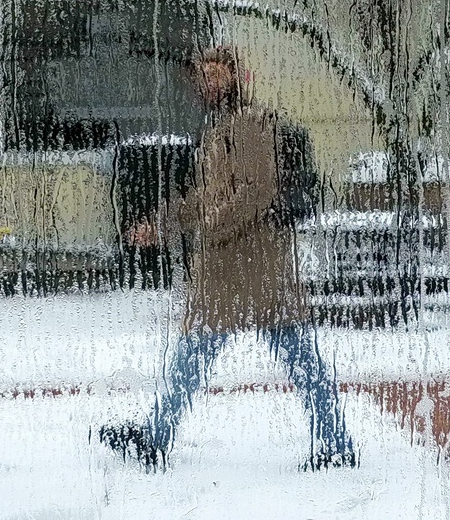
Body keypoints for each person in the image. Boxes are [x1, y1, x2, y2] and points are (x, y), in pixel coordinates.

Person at [99, 46, 355, 471]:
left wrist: (208, 229)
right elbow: (207, 196)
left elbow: (257, 191)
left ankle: (336, 445)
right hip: (234, 267)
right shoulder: (220, 128)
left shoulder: (251, 125)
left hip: (253, 266)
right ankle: (155, 436)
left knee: (287, 358)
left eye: (217, 74)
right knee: (217, 354)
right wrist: (162, 223)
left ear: (238, 78)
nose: (209, 83)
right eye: (204, 76)